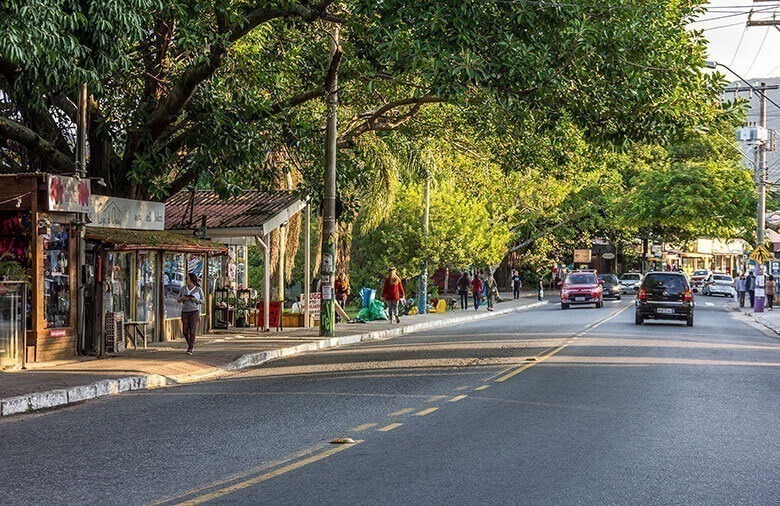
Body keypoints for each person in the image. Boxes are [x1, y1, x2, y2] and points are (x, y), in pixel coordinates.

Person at [177, 273, 203, 355]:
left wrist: (194, 300)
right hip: (185, 311)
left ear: (191, 279)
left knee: (192, 330)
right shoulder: (183, 288)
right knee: (185, 331)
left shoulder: (198, 289)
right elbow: (178, 299)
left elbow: (203, 301)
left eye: (186, 278)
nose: (185, 280)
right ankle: (190, 344)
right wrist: (183, 298)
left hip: (194, 311)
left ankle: (190, 348)